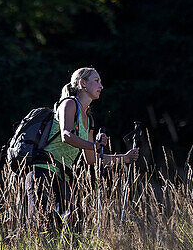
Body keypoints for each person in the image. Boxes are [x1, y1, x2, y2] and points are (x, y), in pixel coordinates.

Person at [25, 66, 139, 228]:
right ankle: (5, 247)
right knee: (38, 224)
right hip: (42, 172)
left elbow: (91, 159)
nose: (101, 86)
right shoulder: (69, 104)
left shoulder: (89, 119)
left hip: (62, 177)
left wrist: (124, 158)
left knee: (75, 223)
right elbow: (66, 135)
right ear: (83, 83)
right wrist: (93, 144)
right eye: (97, 81)